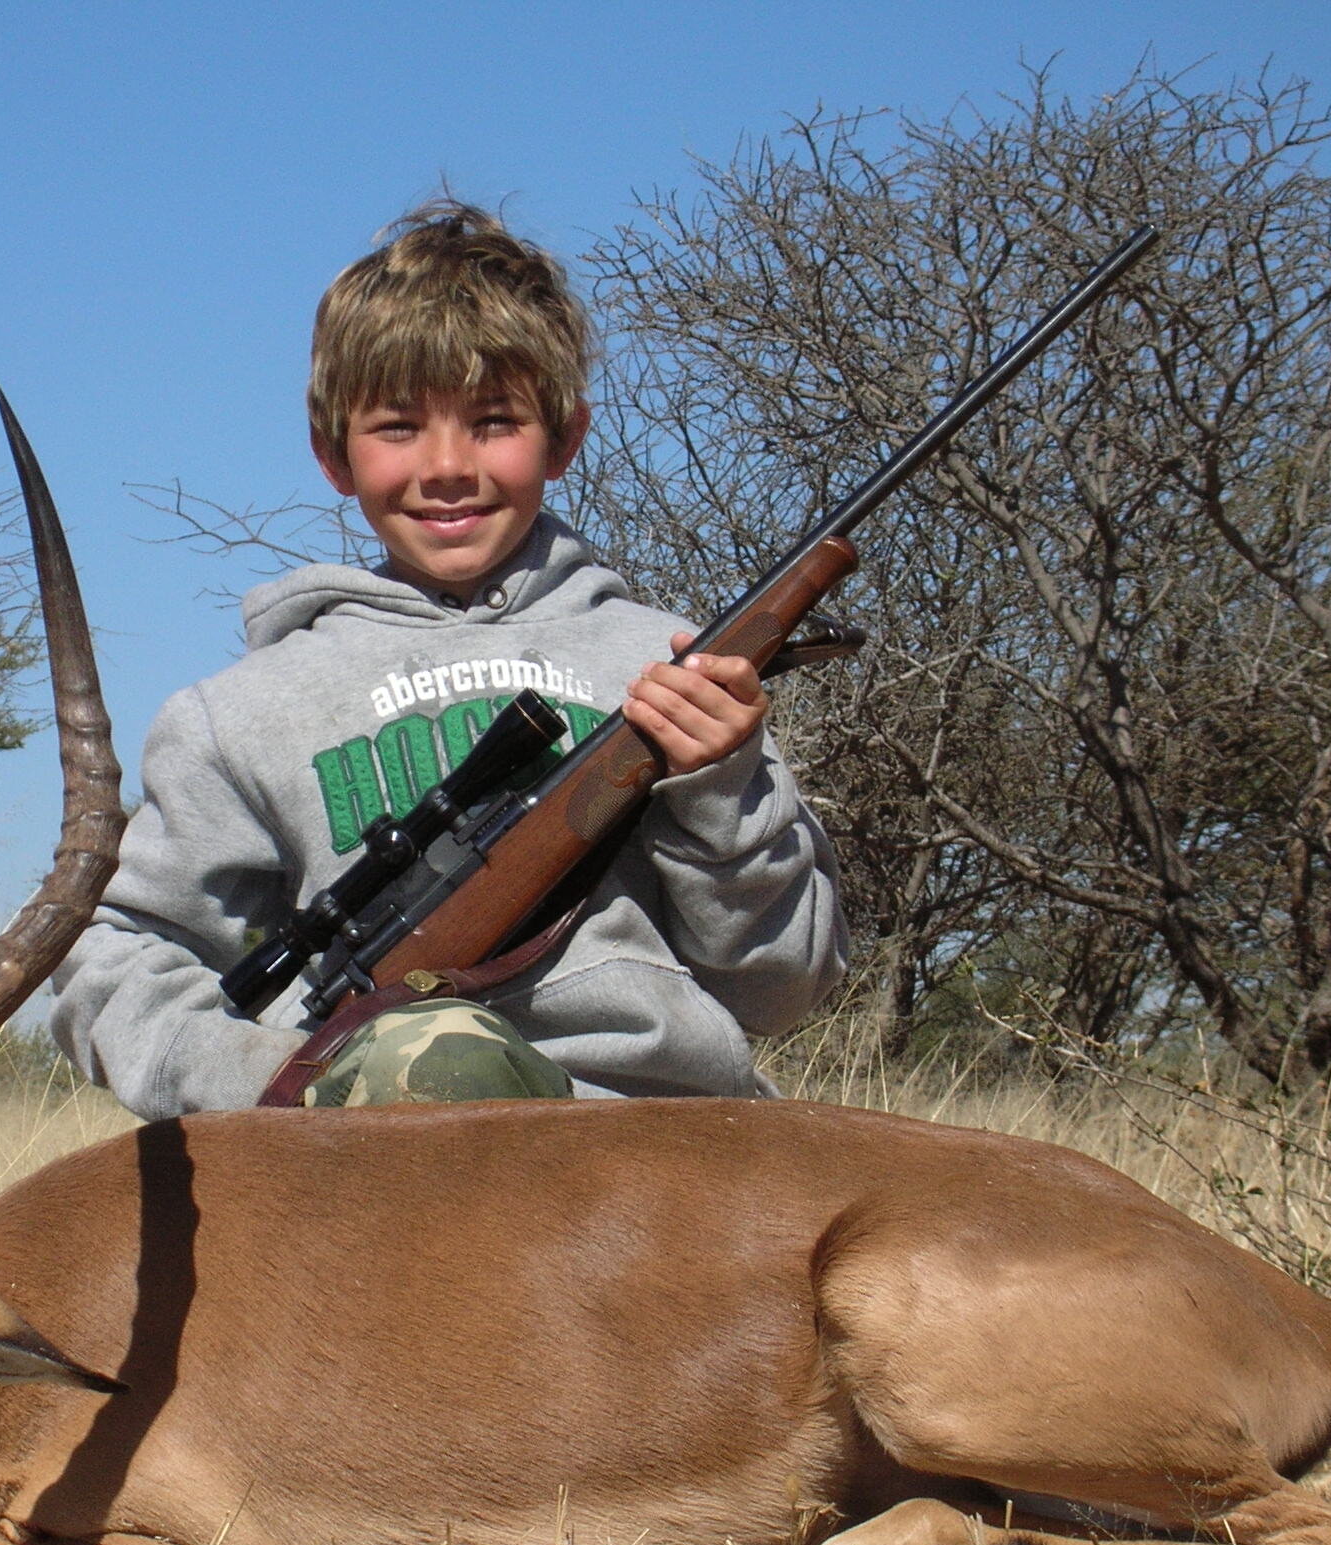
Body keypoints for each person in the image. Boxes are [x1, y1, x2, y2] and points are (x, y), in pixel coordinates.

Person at [50, 202, 846, 1117]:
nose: (447, 467)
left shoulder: (668, 664)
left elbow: (782, 990)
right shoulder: (235, 714)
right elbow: (112, 961)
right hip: (383, 1165)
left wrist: (722, 789)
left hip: (664, 1146)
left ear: (566, 438)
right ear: (332, 456)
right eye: (397, 427)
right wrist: (282, 1082)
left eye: (493, 421)